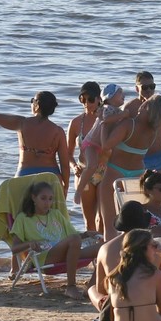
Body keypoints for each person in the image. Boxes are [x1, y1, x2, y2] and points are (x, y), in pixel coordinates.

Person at [93, 94, 161, 239]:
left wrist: (104, 124)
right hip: (137, 175)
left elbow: (106, 146)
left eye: (145, 103)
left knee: (109, 224)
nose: (140, 105)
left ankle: (110, 256)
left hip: (115, 172)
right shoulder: (153, 132)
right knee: (135, 224)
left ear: (147, 108)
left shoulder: (129, 124)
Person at [0, 82, 68, 188]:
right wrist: (65, 188)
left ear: (37, 106)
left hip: (25, 176)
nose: (31, 103)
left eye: (32, 101)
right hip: (51, 177)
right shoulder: (58, 131)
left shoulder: (22, 124)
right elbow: (65, 165)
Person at [9, 180, 92, 300]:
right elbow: (14, 249)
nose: (47, 203)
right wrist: (29, 244)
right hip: (45, 258)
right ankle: (71, 287)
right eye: (43, 198)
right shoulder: (23, 218)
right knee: (74, 239)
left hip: (68, 254)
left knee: (104, 247)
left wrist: (87, 234)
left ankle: (92, 286)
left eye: (50, 199)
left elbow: (74, 236)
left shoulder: (56, 214)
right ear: (33, 198)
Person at [88, 201, 154, 316]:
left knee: (91, 289)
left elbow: (101, 289)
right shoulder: (155, 248)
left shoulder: (105, 249)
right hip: (148, 304)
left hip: (115, 308)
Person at [66, 82, 106, 232]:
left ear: (98, 99)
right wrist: (73, 166)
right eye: (83, 100)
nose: (86, 104)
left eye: (90, 100)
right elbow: (68, 153)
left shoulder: (106, 119)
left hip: (104, 170)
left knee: (102, 218)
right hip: (83, 172)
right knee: (89, 221)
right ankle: (91, 251)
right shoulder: (76, 123)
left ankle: (101, 250)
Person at [133, 71, 161, 183]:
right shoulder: (131, 107)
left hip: (159, 155)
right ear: (137, 89)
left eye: (152, 87)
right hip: (139, 158)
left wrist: (154, 140)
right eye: (145, 87)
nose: (149, 90)